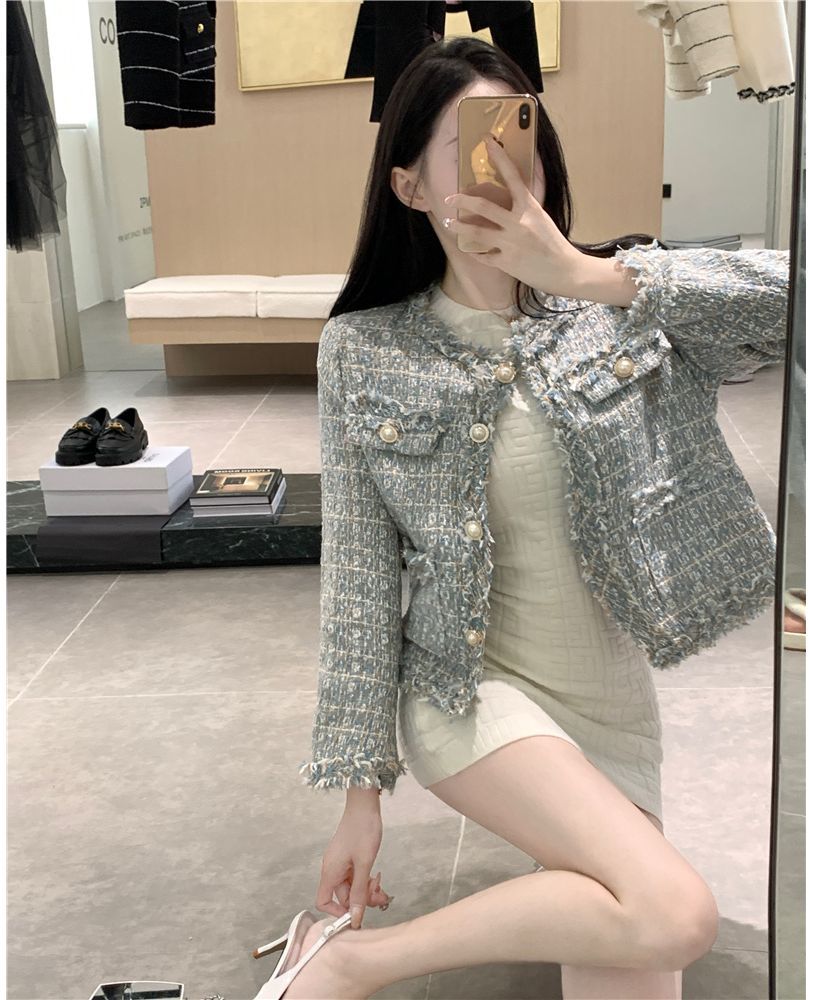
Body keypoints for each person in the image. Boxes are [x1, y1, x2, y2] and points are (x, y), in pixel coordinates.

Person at [280, 34, 777, 1000]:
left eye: (522, 139)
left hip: (613, 701)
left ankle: (335, 958)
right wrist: (359, 798)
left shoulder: (620, 304)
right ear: (408, 187)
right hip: (471, 691)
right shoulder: (364, 350)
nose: (508, 170)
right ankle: (350, 963)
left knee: (635, 942)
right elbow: (358, 583)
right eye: (473, 147)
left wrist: (587, 275)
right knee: (674, 913)